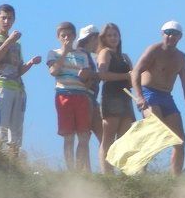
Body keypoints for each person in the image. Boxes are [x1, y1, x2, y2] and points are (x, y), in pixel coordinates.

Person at [130, 20, 185, 176]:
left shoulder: (181, 57)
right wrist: (139, 96)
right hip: (149, 93)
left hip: (166, 96)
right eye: (168, 33)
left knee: (179, 140)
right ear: (162, 34)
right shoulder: (154, 50)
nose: (171, 36)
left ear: (180, 37)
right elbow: (136, 72)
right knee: (155, 129)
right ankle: (140, 172)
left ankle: (175, 180)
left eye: (175, 34)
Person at [0, 4, 41, 156]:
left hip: (18, 88)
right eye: (3, 18)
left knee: (16, 134)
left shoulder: (17, 44)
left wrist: (31, 63)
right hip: (0, 85)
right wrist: (9, 41)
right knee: (0, 129)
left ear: (14, 20)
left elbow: (18, 70)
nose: (6, 21)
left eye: (10, 18)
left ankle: (13, 163)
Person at [47, 21, 94, 171]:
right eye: (63, 35)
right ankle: (71, 171)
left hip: (81, 95)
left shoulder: (82, 55)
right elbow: (53, 71)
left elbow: (87, 76)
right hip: (64, 95)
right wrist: (65, 52)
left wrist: (85, 75)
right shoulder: (54, 53)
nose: (66, 38)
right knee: (68, 136)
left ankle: (79, 170)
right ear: (58, 37)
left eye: (69, 35)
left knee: (84, 135)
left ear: (74, 36)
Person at [96, 22, 136, 174]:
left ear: (120, 37)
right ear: (104, 38)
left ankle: (124, 173)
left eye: (115, 35)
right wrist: (125, 76)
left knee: (125, 138)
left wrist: (133, 78)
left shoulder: (125, 57)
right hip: (111, 96)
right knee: (108, 137)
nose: (113, 38)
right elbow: (102, 74)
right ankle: (107, 173)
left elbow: (133, 77)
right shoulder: (105, 53)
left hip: (126, 97)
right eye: (109, 35)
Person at [76, 24, 104, 145]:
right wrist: (97, 75)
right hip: (86, 95)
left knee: (96, 135)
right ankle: (83, 160)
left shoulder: (84, 54)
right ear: (93, 38)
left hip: (90, 97)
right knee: (87, 135)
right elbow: (82, 74)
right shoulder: (83, 54)